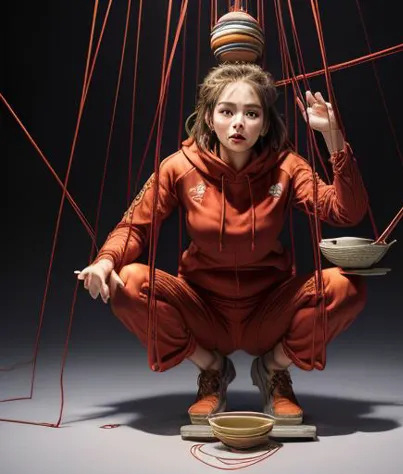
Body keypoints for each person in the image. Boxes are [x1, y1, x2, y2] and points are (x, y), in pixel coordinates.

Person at [77, 62, 368, 425]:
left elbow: (346, 211)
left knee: (348, 285)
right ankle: (211, 369)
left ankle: (274, 371)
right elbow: (134, 227)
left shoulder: (287, 167)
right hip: (204, 311)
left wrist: (333, 136)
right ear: (209, 117)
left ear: (264, 124)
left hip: (268, 311)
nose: (238, 123)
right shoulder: (179, 167)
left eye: (251, 113)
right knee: (127, 282)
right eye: (227, 111)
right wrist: (105, 261)